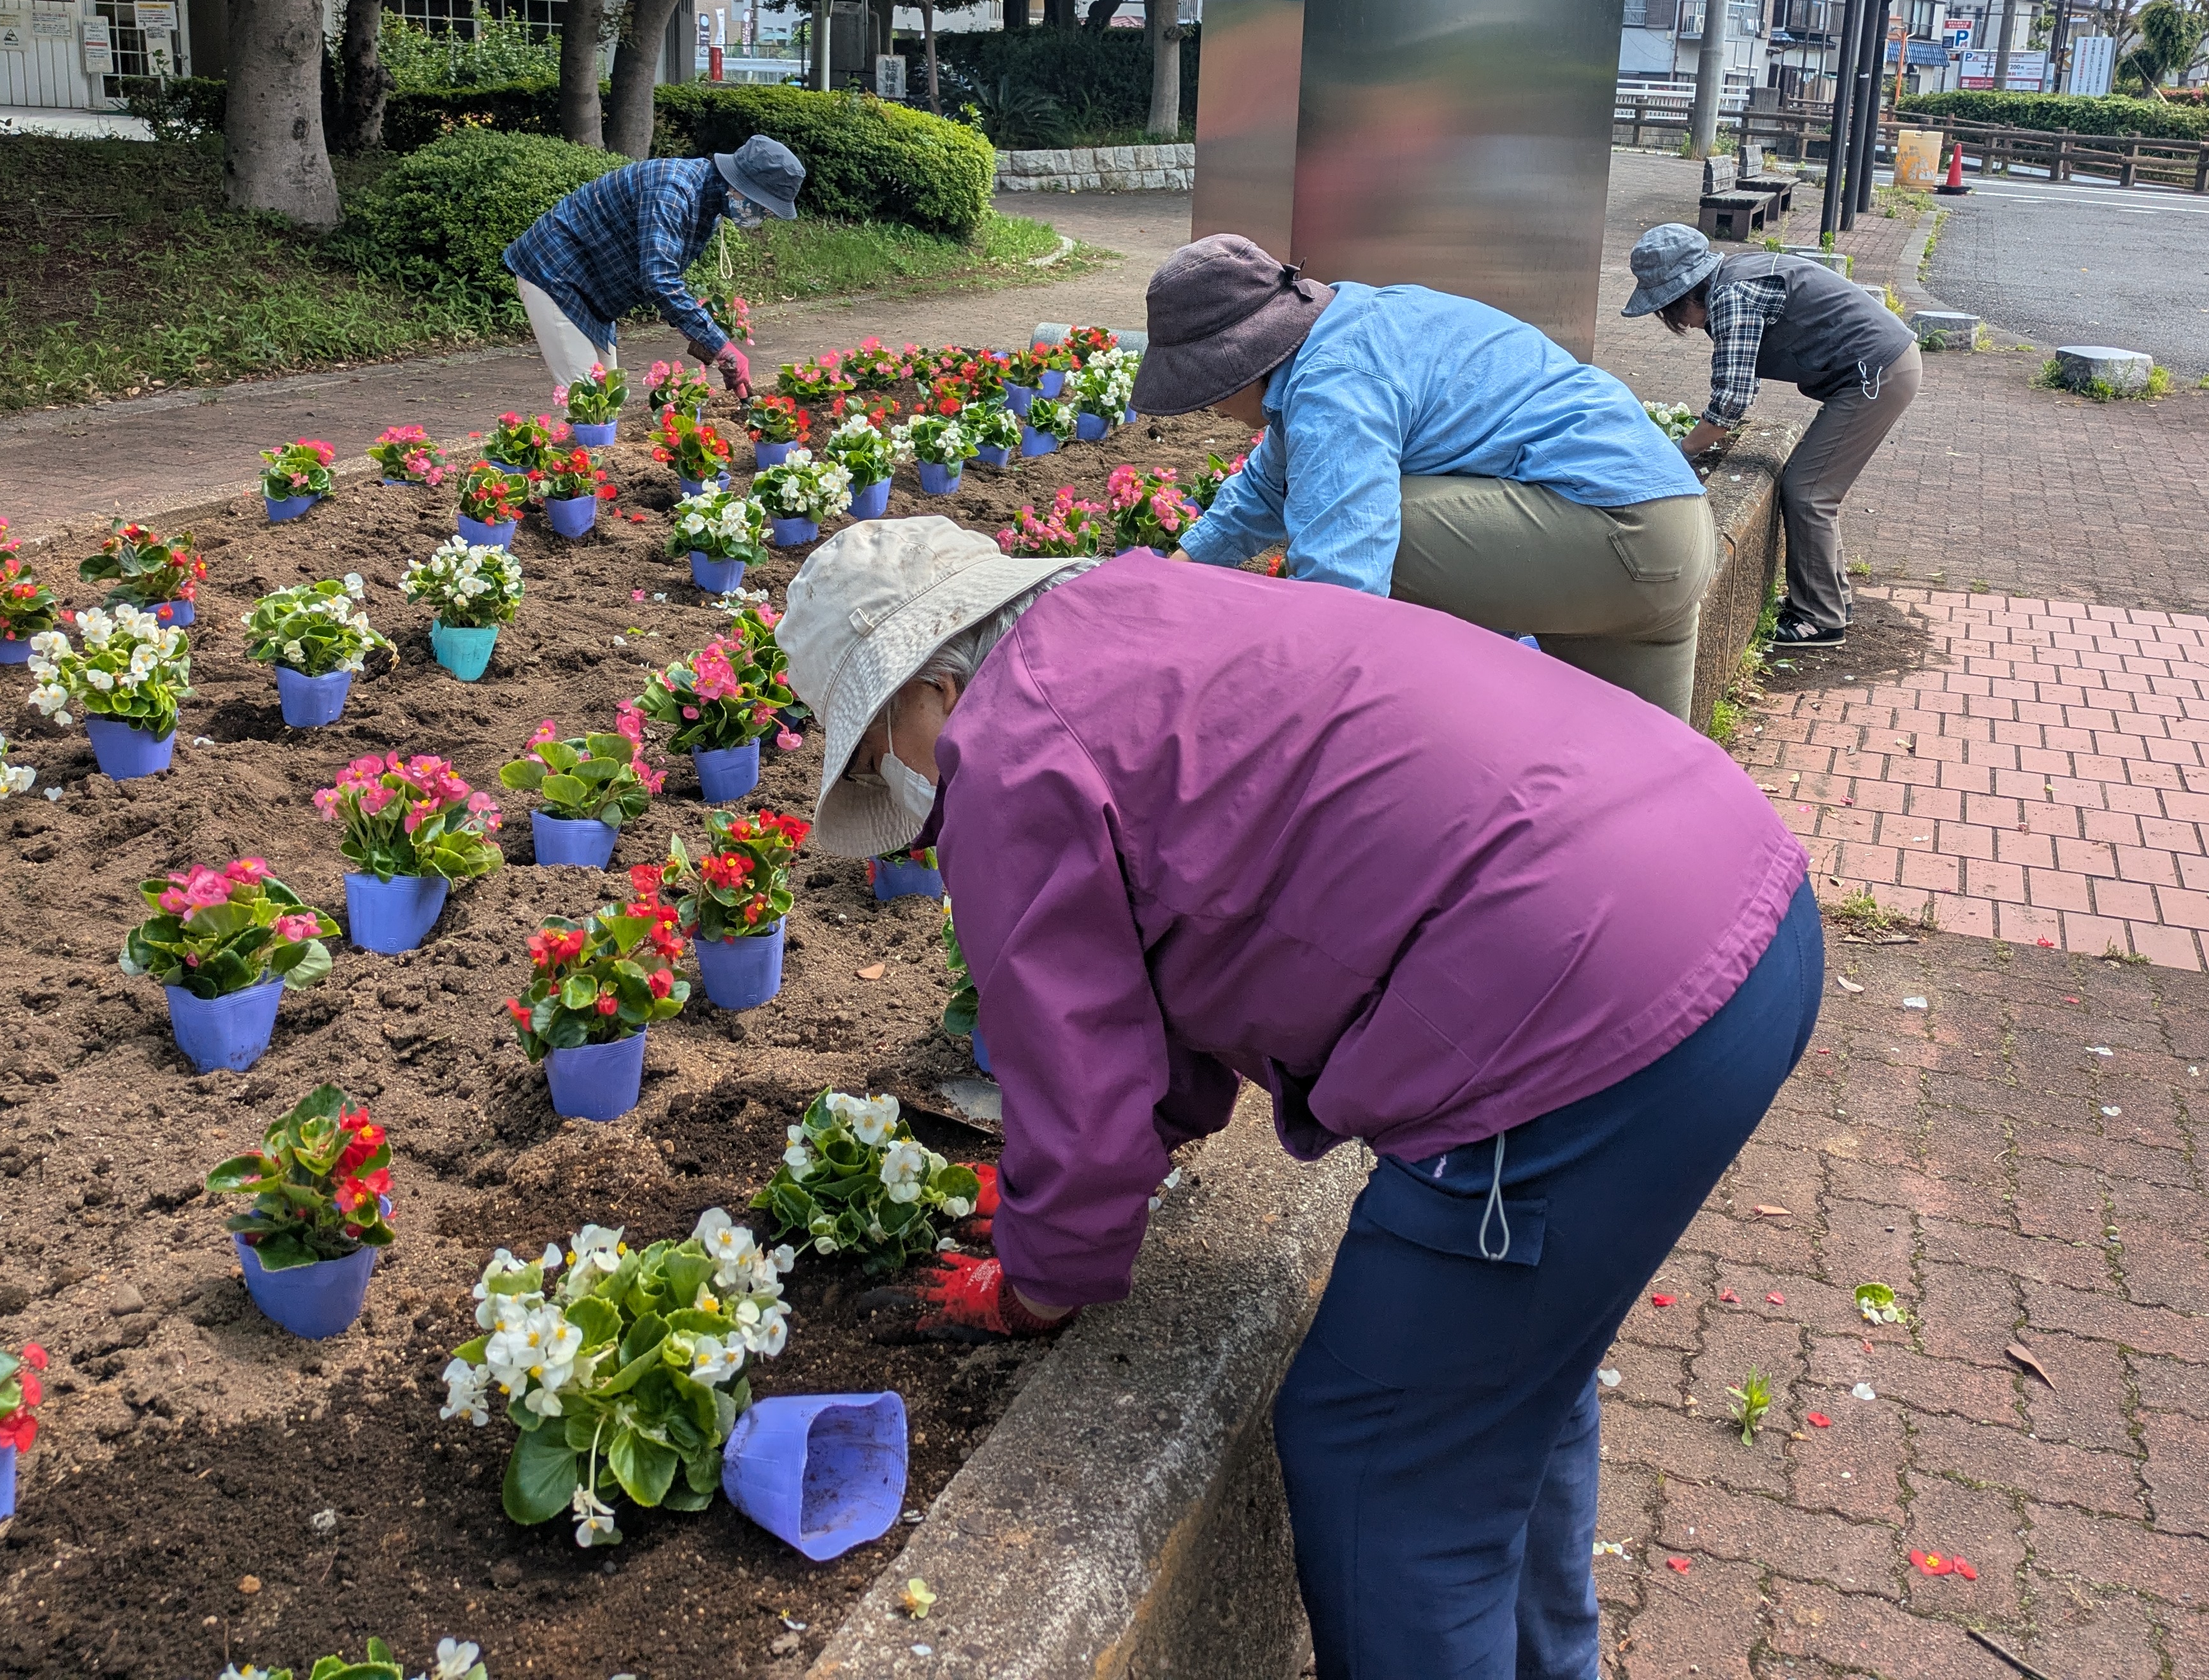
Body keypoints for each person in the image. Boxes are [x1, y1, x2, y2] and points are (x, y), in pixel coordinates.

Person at [781, 518, 1822, 1680]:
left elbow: (1075, 1072)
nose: (904, 787)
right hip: (1731, 892)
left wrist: (1034, 1280)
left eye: (881, 746)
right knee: (1497, 1387)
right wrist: (1053, 1203)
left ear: (934, 683)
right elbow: (1152, 1005)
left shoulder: (1008, 749)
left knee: (1382, 1453)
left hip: (1581, 1018)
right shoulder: (1130, 611)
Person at [1134, 233, 1715, 720]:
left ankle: (1429, 730)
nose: (1207, 408)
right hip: (1673, 531)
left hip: (1615, 530)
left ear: (1237, 363)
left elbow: (1342, 587)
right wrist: (1165, 587)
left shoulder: (1334, 381)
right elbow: (1264, 487)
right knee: (1643, 768)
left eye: (1203, 392)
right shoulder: (1349, 328)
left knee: (1357, 529)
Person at [1622, 222, 1917, 650]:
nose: (1675, 321)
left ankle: (1820, 619)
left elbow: (1732, 402)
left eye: (1667, 307)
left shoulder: (1731, 296)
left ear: (1687, 293)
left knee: (1809, 491)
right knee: (1814, 488)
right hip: (1880, 367)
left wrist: (1680, 450)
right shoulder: (1735, 276)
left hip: (1876, 374)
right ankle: (1832, 601)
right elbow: (1738, 391)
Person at [500, 134, 803, 399]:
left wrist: (703, 336)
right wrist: (722, 348)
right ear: (740, 187)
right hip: (554, 272)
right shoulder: (674, 190)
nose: (763, 215)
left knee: (607, 396)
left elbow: (663, 274)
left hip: (594, 287)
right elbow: (658, 279)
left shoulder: (707, 204)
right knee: (587, 405)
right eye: (763, 206)